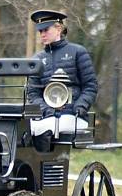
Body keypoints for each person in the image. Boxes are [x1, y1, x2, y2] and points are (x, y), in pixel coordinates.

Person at [26, 10, 98, 141]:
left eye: (46, 30)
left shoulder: (78, 52)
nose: (42, 34)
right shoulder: (37, 59)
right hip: (45, 116)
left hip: (73, 115)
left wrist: (80, 106)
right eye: (40, 31)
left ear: (58, 28)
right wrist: (46, 110)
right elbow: (33, 93)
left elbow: (90, 86)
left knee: (53, 127)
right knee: (24, 129)